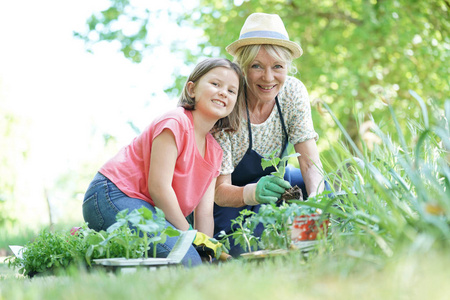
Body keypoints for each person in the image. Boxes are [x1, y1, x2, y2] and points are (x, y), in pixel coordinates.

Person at [82, 58, 245, 266]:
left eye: (232, 91)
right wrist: (191, 238)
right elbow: (159, 188)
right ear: (192, 89)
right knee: (188, 261)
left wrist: (208, 250)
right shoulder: (175, 122)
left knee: (200, 262)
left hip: (150, 210)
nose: (223, 92)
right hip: (112, 195)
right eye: (215, 84)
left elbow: (204, 213)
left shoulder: (215, 152)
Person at [213, 13, 328, 256]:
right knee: (244, 248)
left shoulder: (292, 92)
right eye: (257, 66)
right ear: (243, 67)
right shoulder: (228, 102)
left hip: (278, 185)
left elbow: (309, 162)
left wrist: (314, 204)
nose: (268, 78)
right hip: (233, 197)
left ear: (287, 67)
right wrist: (253, 192)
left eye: (277, 66)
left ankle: (308, 251)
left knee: (321, 190)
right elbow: (218, 190)